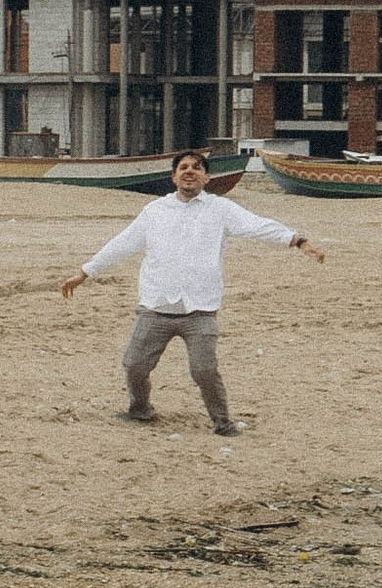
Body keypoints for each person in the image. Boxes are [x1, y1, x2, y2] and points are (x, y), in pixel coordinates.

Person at [60, 149, 323, 431]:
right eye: (183, 167)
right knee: (134, 365)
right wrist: (86, 271)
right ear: (173, 177)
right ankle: (140, 410)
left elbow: (257, 226)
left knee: (204, 371)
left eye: (196, 168)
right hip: (156, 307)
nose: (189, 171)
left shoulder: (220, 209)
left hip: (200, 310)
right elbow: (122, 243)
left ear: (206, 177)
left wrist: (297, 240)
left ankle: (222, 422)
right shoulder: (155, 211)